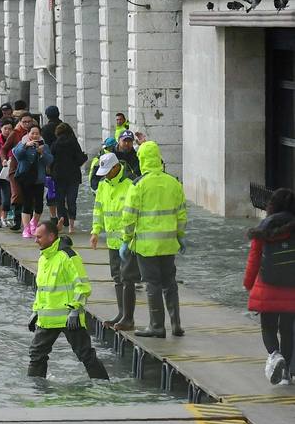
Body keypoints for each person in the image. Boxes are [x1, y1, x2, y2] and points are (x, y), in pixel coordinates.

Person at [27, 219, 109, 379]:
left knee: (85, 355)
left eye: (39, 237)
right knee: (36, 355)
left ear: (51, 237)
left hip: (70, 318)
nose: (35, 240)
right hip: (48, 318)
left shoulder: (68, 256)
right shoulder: (44, 257)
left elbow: (83, 286)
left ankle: (103, 386)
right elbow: (42, 289)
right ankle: (35, 391)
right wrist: (36, 311)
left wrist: (75, 310)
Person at [121, 141, 187, 338]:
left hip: (146, 246)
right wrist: (180, 237)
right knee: (170, 283)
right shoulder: (174, 183)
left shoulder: (138, 185)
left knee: (153, 284)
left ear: (142, 160)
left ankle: (157, 326)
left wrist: (126, 240)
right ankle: (176, 324)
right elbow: (181, 215)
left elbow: (129, 217)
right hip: (168, 244)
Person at [245, 189, 295, 385]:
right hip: (292, 289)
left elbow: (254, 259)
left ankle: (274, 355)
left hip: (268, 288)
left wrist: (248, 284)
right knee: (288, 330)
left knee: (268, 327)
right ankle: (286, 375)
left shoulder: (263, 229)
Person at [89, 153, 139, 331]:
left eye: (107, 171)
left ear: (117, 167)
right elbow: (98, 209)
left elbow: (134, 212)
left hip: (128, 240)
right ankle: (121, 313)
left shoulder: (130, 184)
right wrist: (95, 231)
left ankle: (128, 318)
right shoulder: (103, 185)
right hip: (112, 241)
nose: (105, 175)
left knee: (128, 278)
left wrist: (130, 238)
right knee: (117, 278)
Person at [12, 125, 54, 238]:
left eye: (37, 133)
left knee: (39, 204)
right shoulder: (23, 143)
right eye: (32, 133)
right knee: (27, 203)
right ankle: (26, 228)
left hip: (39, 179)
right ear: (28, 134)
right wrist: (26, 146)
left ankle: (34, 223)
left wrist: (41, 153)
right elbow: (17, 155)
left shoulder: (44, 146)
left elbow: (49, 160)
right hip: (25, 178)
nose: (35, 135)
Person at [48, 121, 88, 232]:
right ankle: (71, 226)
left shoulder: (55, 144)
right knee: (71, 201)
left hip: (58, 176)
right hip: (73, 176)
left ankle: (61, 221)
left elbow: (50, 161)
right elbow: (80, 158)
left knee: (60, 201)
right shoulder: (74, 143)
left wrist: (50, 172)